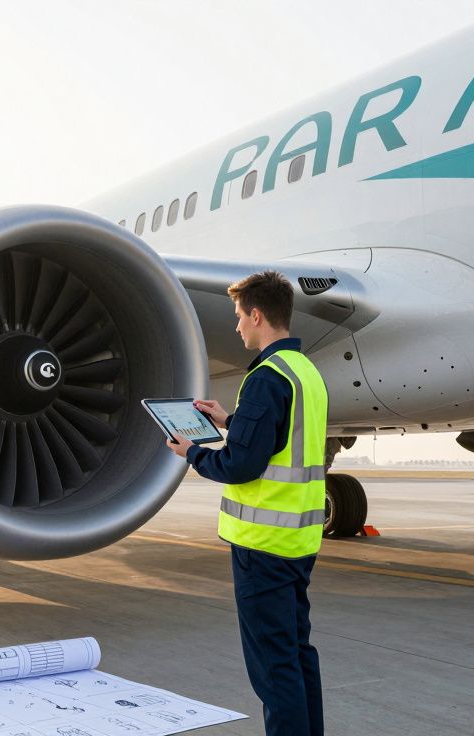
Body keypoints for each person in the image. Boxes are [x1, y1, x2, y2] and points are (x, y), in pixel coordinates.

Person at [164, 270, 328, 736]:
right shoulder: (305, 374)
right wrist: (229, 419)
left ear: (257, 315)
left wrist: (191, 453)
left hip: (262, 546)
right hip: (298, 541)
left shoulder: (265, 377)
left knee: (273, 669)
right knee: (298, 655)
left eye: (239, 317)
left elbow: (240, 467)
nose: (236, 327)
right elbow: (280, 438)